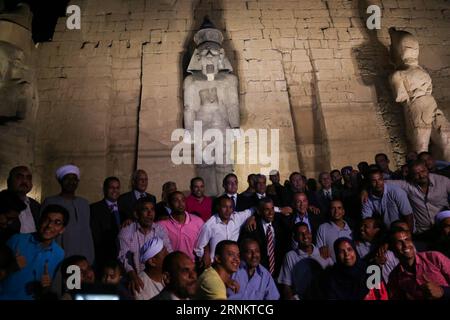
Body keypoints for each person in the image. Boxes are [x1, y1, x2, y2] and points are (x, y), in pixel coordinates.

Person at [183, 18, 240, 196]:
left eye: (213, 53)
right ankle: (208, 200)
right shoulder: (191, 81)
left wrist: (235, 126)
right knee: (204, 165)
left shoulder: (229, 80)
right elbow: (189, 108)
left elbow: (232, 104)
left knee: (225, 164)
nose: (209, 57)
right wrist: (189, 128)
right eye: (205, 53)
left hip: (222, 126)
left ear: (221, 56)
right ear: (197, 58)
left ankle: (227, 200)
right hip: (201, 127)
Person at [0, 204, 69, 300]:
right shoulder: (16, 240)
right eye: (46, 220)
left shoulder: (59, 254)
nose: (49, 225)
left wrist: (46, 287)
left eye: (57, 222)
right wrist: (10, 268)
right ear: (40, 221)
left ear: (62, 229)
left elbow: (45, 289)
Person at [118, 197, 172, 296]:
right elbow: (124, 257)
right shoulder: (127, 231)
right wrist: (133, 276)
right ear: (136, 214)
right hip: (135, 279)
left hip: (157, 279)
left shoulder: (160, 230)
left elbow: (169, 252)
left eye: (152, 209)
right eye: (145, 209)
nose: (149, 213)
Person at [41, 164, 94, 263]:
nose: (71, 182)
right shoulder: (50, 201)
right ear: (61, 181)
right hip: (57, 254)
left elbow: (87, 231)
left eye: (74, 179)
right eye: (67, 179)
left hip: (83, 254)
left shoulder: (84, 203)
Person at [386, 160, 450, 236]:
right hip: (423, 232)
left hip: (444, 229)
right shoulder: (408, 185)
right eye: (416, 174)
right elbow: (384, 183)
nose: (421, 175)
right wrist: (367, 190)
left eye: (423, 171)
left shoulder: (443, 181)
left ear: (427, 169)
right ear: (411, 175)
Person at [388, 229, 450, 300]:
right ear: (392, 249)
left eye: (407, 239)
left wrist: (442, 291)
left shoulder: (434, 258)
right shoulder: (395, 276)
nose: (405, 245)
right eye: (399, 242)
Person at [194, 196, 254, 269]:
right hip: (216, 266)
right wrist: (205, 258)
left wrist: (252, 218)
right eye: (224, 207)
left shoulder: (237, 218)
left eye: (230, 207)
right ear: (218, 207)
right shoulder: (209, 225)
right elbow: (199, 248)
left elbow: (253, 210)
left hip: (234, 264)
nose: (228, 210)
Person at [278, 223, 333, 300]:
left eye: (307, 232)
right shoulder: (290, 256)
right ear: (295, 238)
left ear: (310, 234)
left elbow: (333, 279)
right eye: (301, 234)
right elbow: (286, 285)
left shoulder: (323, 253)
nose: (305, 236)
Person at [323, 238, 388, 300]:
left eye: (349, 249)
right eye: (341, 251)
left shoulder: (372, 272)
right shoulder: (332, 278)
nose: (346, 254)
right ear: (337, 255)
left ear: (355, 251)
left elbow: (382, 296)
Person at [239, 198, 289, 278]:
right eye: (267, 209)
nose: (271, 213)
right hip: (259, 269)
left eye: (272, 208)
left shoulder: (280, 222)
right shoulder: (252, 227)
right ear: (259, 211)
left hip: (280, 269)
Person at [90, 176, 123, 274]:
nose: (115, 190)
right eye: (111, 187)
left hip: (122, 258)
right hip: (102, 257)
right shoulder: (94, 209)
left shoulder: (124, 208)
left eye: (117, 188)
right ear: (104, 189)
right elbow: (95, 235)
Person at [158, 191, 203, 261]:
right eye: (176, 200)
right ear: (169, 204)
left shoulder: (198, 221)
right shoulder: (161, 225)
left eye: (183, 200)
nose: (180, 203)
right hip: (173, 266)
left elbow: (205, 243)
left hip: (194, 265)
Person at [7, 166, 40, 233]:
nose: (24, 181)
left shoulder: (36, 206)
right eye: (19, 177)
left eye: (28, 178)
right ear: (9, 181)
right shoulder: (2, 202)